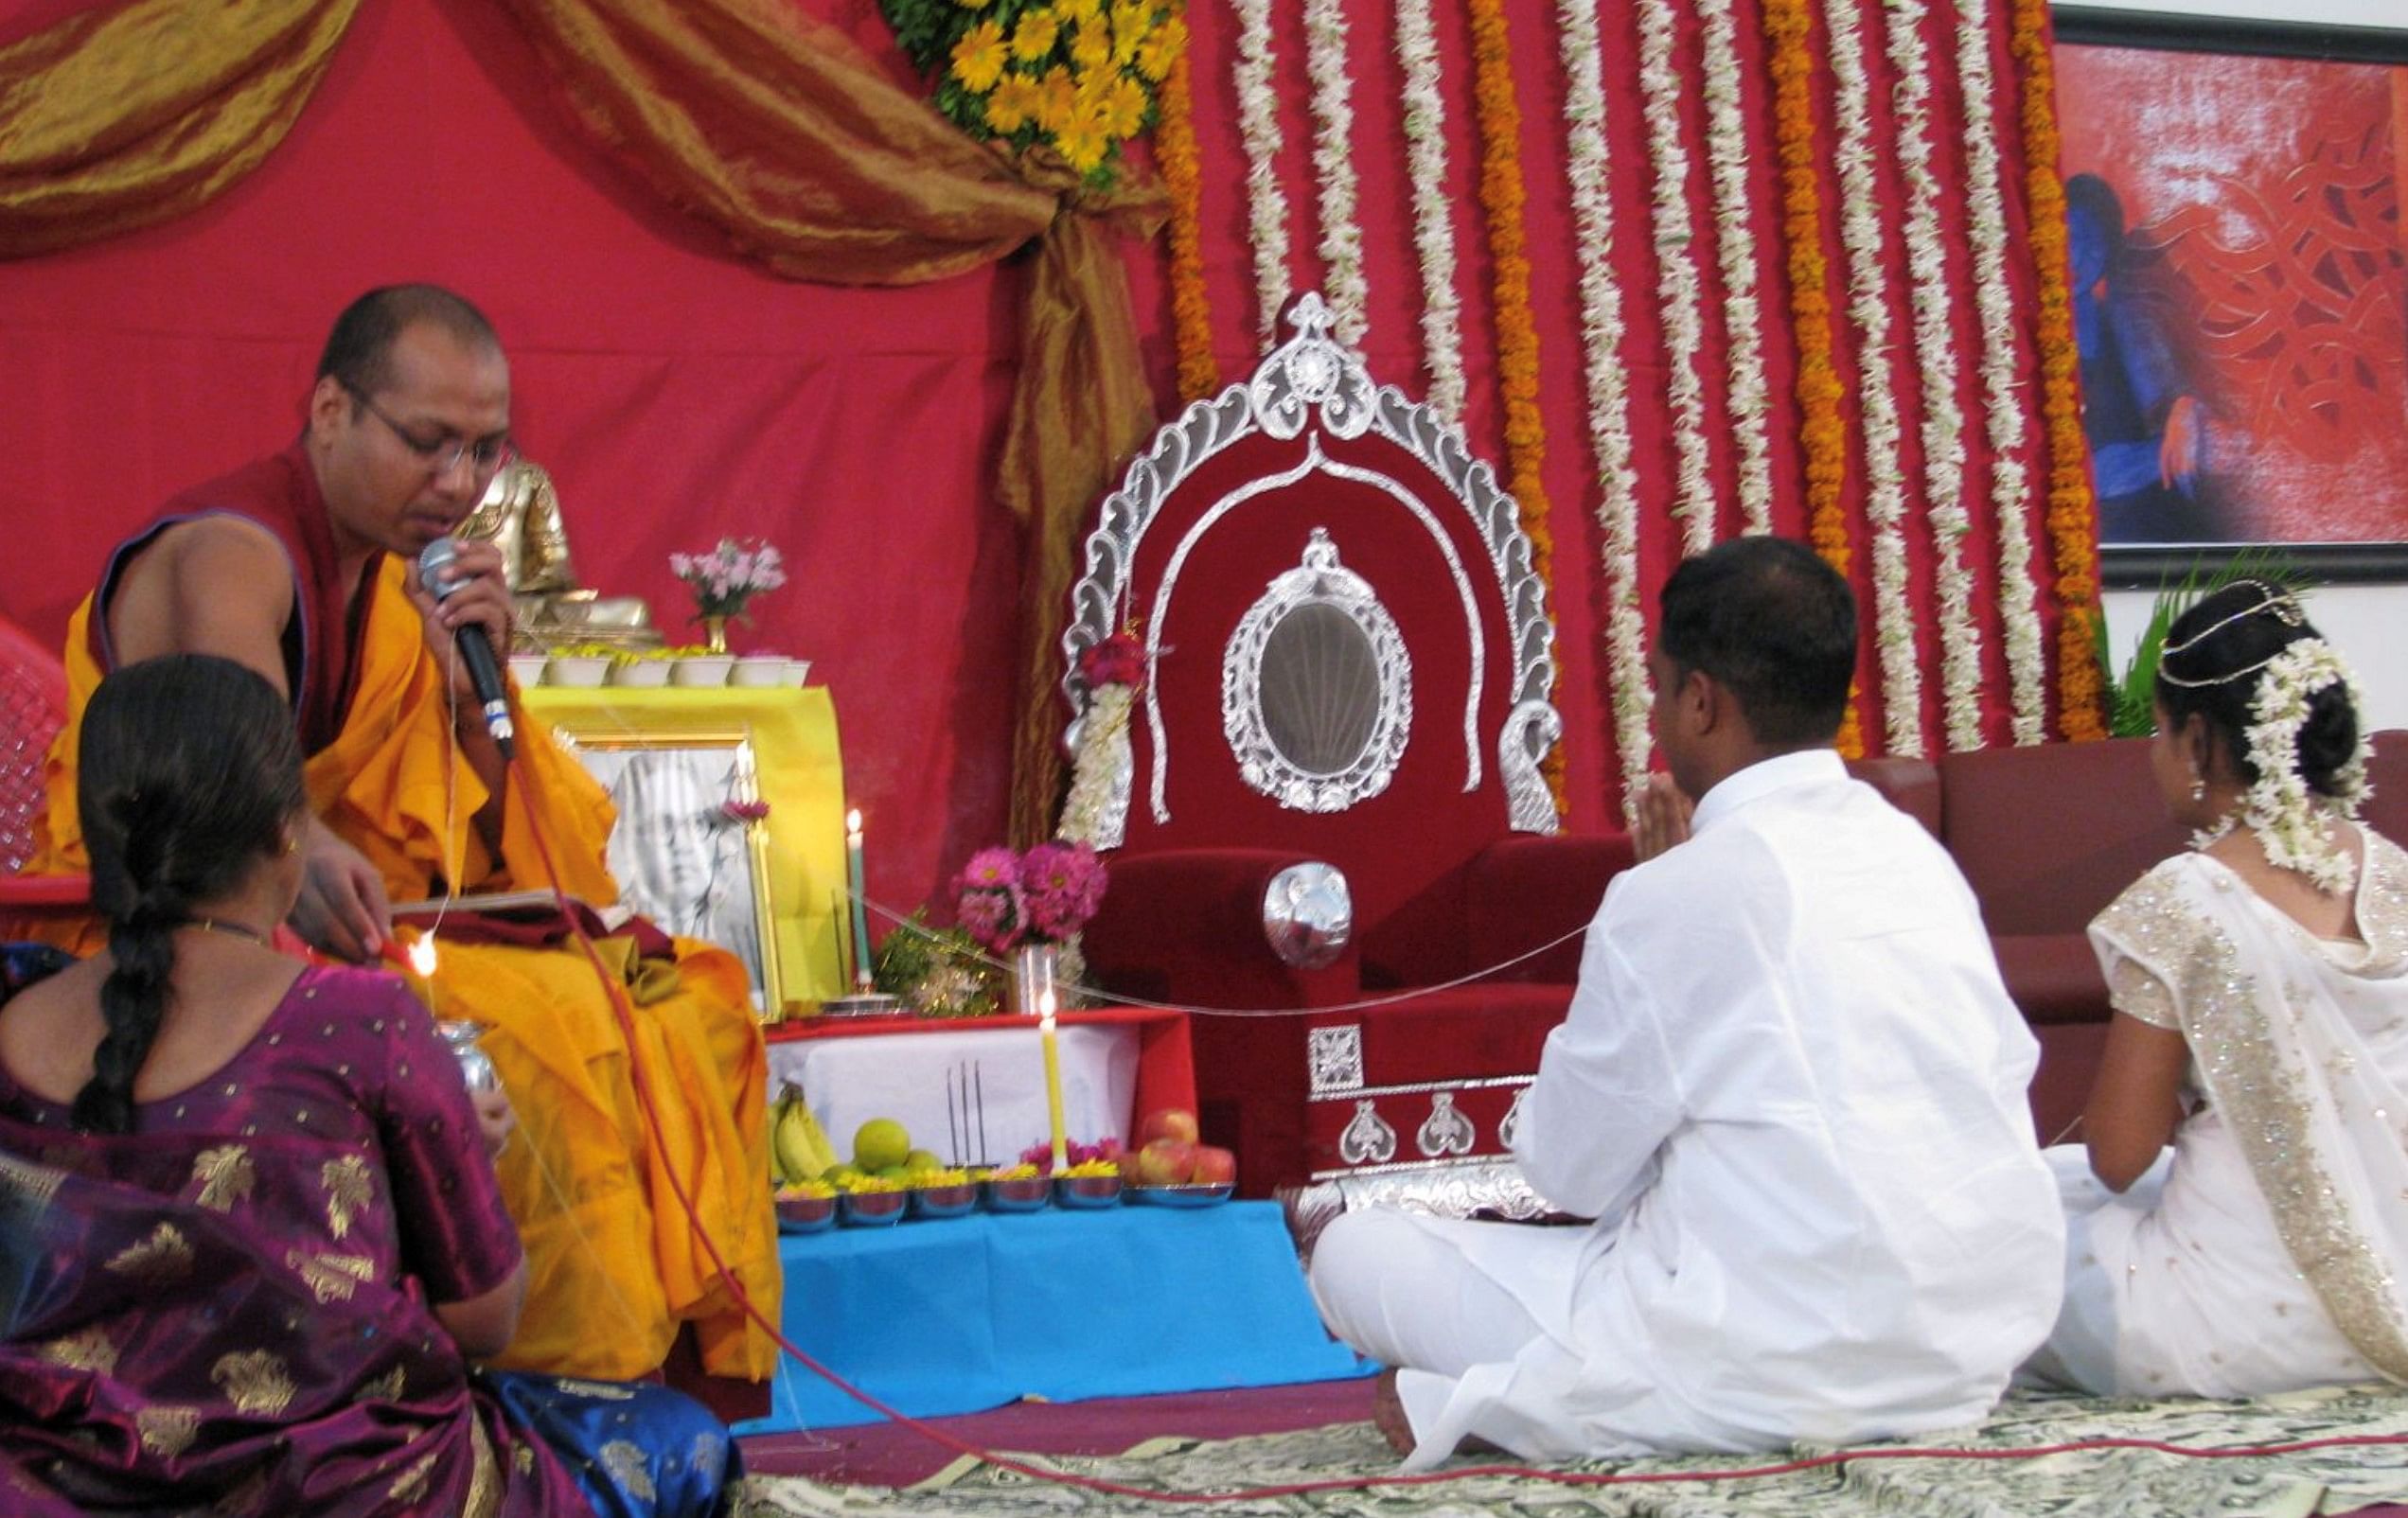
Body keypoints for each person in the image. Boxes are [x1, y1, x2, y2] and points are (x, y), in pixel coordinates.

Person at [14, 286, 779, 1386]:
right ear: (331, 409)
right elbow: (244, 806)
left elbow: (481, 824)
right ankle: (551, 1377)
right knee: (552, 1025)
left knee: (680, 994)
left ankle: (641, 1374)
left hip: (322, 919)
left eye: (483, 451)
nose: (459, 484)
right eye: (426, 444)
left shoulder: (384, 577)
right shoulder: (233, 551)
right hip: (172, 938)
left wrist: (476, 685)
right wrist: (306, 840)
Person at [1308, 537, 2064, 1469]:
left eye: (1663, 689)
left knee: (1354, 1251)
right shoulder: (1919, 859)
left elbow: (1568, 1172)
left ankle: (1535, 1404)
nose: (1660, 716)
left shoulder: (1679, 890)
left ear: (1702, 700)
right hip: (1967, 1347)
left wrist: (1654, 905)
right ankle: (1536, 1400)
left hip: (1758, 1358)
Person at [0, 655, 740, 1515]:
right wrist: (459, 1153)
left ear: (91, 834)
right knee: (678, 1441)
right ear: (289, 833)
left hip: (56, 1486)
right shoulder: (361, 1018)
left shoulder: (15, 1017)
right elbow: (484, 1321)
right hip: (338, 1488)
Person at [2029, 582, 2408, 1396]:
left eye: (2161, 731)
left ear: (2200, 742)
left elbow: (2121, 1157)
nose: (2154, 753)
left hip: (2232, 1326)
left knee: (2019, 1220)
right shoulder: (2396, 878)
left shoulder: (2185, 902)